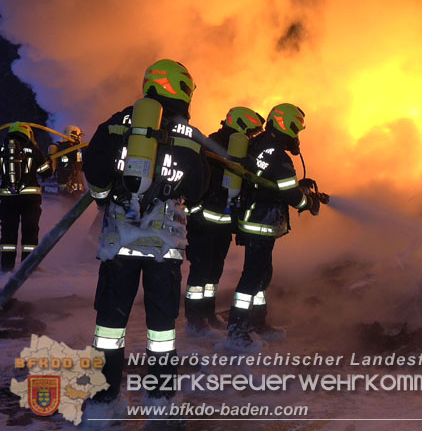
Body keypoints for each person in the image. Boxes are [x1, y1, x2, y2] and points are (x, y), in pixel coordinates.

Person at [82, 59, 209, 403]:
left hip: (118, 243)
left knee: (109, 325)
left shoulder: (115, 123)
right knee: (162, 329)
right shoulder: (187, 136)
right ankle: (161, 398)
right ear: (180, 88)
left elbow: (93, 167)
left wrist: (104, 199)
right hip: (163, 247)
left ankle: (102, 399)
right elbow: (199, 186)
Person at [228, 103, 320, 347]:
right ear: (286, 127)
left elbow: (273, 184)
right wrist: (308, 202)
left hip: (255, 219)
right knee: (252, 278)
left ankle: (257, 323)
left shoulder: (259, 145)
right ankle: (237, 330)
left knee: (261, 277)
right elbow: (292, 197)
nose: (297, 138)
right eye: (296, 131)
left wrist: (298, 185)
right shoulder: (279, 157)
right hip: (261, 223)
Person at [185, 106, 264, 336]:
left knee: (213, 272)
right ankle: (194, 319)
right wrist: (196, 210)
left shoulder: (237, 148)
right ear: (240, 125)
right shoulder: (211, 145)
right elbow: (197, 179)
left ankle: (208, 314)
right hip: (203, 222)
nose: (251, 138)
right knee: (200, 273)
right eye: (250, 132)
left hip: (223, 223)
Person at [0, 122, 50, 272]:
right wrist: (49, 160)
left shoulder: (2, 149)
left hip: (7, 198)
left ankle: (6, 267)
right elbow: (45, 172)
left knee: (8, 234)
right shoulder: (33, 149)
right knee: (30, 232)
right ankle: (28, 267)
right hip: (30, 199)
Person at [48, 125, 84, 196]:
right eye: (79, 135)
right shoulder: (67, 148)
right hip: (68, 188)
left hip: (75, 188)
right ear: (74, 135)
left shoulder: (76, 148)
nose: (80, 138)